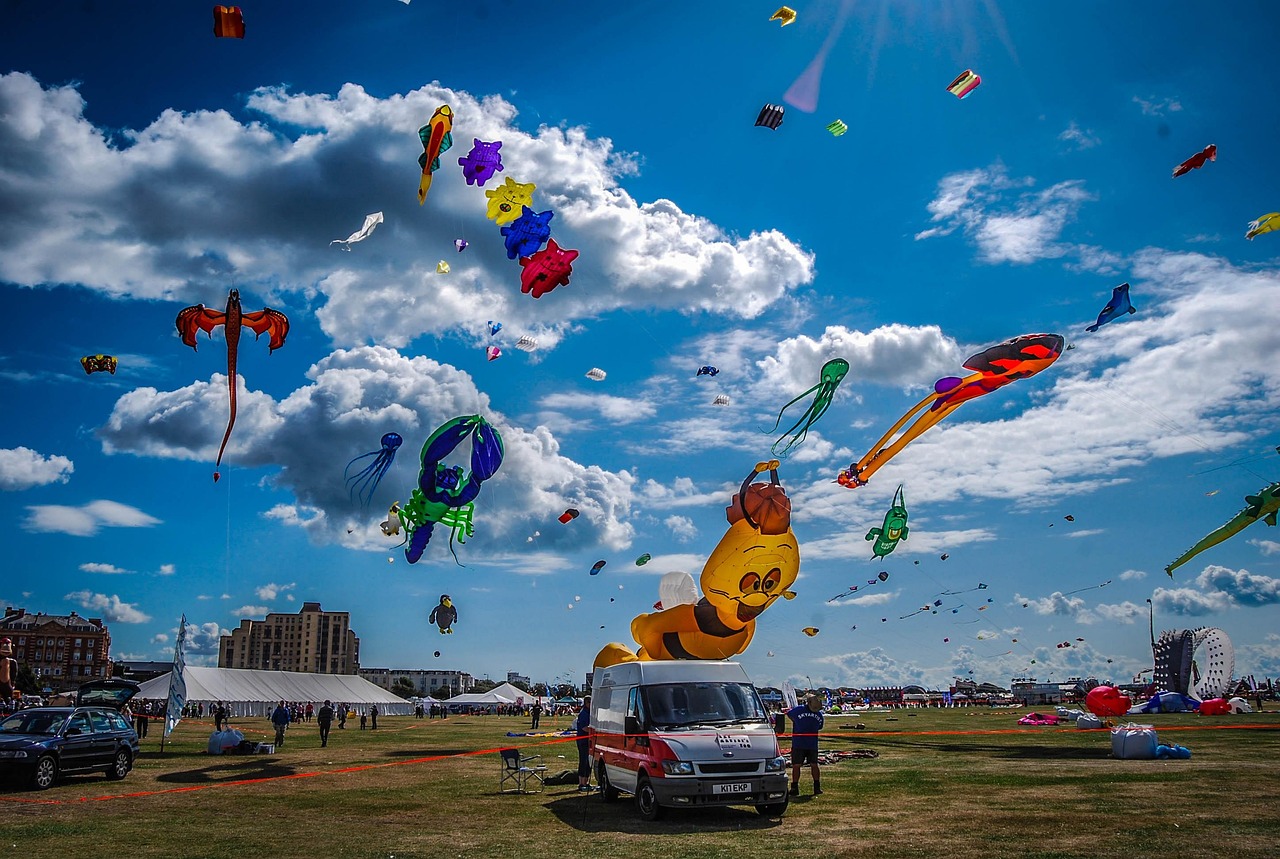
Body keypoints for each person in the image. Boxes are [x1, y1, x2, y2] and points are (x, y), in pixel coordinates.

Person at [787, 694, 825, 796]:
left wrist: (797, 722)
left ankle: (795, 788)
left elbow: (789, 714)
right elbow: (820, 726)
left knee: (797, 765)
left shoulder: (798, 710)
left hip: (799, 743)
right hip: (811, 744)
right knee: (813, 765)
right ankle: (816, 788)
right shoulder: (818, 714)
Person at [574, 696, 593, 792]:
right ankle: (581, 783)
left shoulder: (590, 712)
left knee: (588, 762)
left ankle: (586, 782)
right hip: (583, 741)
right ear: (586, 703)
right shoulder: (584, 713)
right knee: (583, 761)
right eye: (590, 703)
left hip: (588, 741)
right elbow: (584, 728)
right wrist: (594, 730)